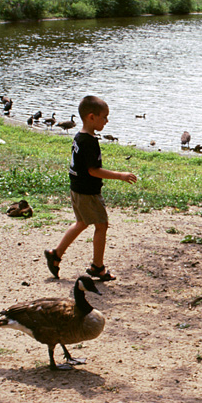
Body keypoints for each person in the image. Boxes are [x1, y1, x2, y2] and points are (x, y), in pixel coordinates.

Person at [45, 95, 137, 281]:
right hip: (87, 191)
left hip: (77, 188)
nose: (107, 120)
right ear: (91, 117)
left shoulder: (80, 137)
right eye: (104, 116)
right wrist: (120, 175)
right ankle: (98, 267)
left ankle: (56, 254)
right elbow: (93, 171)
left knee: (82, 222)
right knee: (101, 225)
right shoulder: (88, 142)